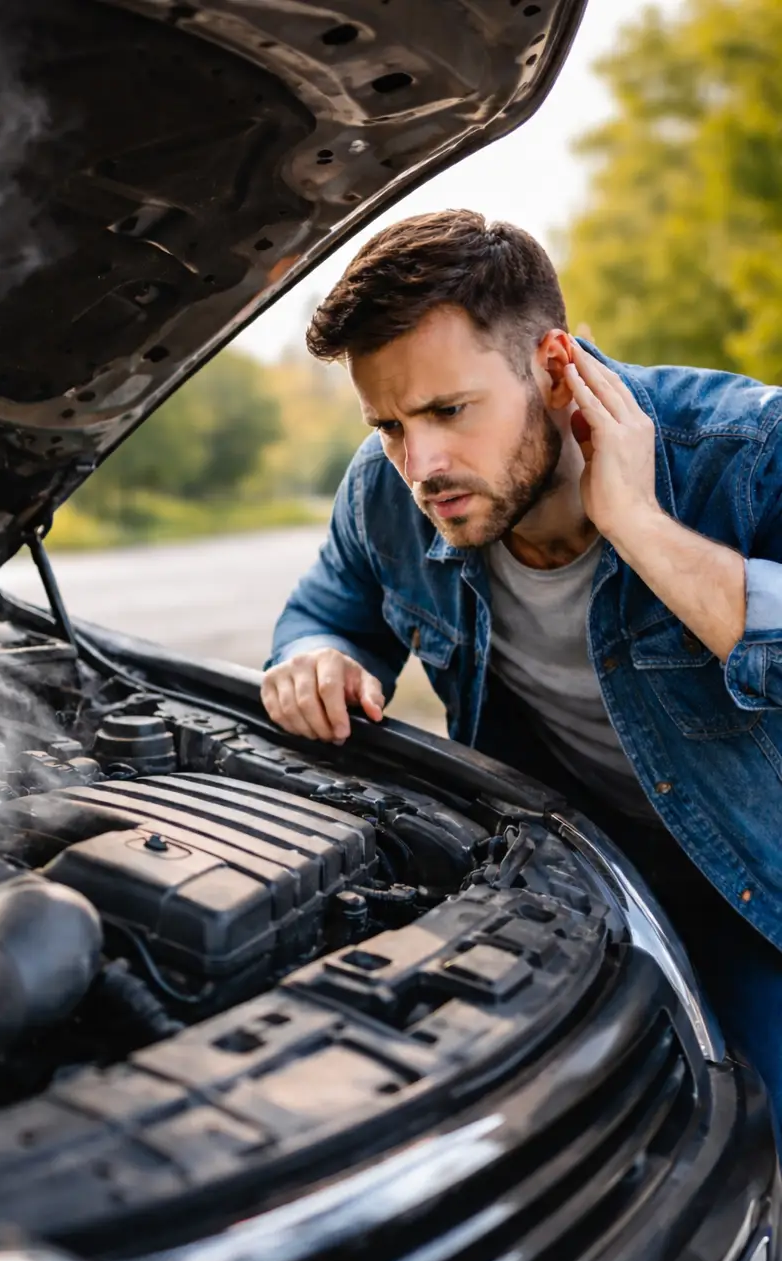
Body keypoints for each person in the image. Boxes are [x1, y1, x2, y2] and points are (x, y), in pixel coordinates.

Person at [263, 209, 782, 1115]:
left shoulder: (747, 453)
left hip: (760, 890)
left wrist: (641, 528)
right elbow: (329, 609)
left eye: (448, 411)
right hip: (584, 878)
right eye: (388, 423)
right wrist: (316, 656)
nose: (419, 464)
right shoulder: (383, 490)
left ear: (553, 368)